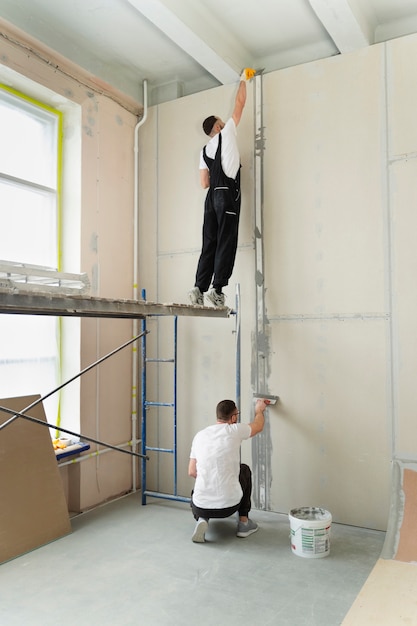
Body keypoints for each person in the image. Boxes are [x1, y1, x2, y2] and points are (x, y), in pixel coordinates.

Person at [188, 68, 255, 308]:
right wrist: (244, 79)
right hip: (226, 198)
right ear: (217, 127)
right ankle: (216, 291)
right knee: (226, 241)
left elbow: (204, 183)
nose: (225, 123)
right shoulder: (226, 133)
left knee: (210, 243)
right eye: (221, 122)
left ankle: (198, 288)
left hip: (210, 202)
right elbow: (240, 104)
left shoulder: (204, 151)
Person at [188, 397, 269, 543]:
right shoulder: (234, 430)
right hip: (229, 506)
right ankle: (244, 523)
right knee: (244, 470)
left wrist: (211, 478)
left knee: (198, 489)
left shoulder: (199, 435)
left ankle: (202, 519)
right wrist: (259, 409)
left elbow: (192, 471)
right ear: (233, 417)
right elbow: (258, 426)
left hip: (201, 506)